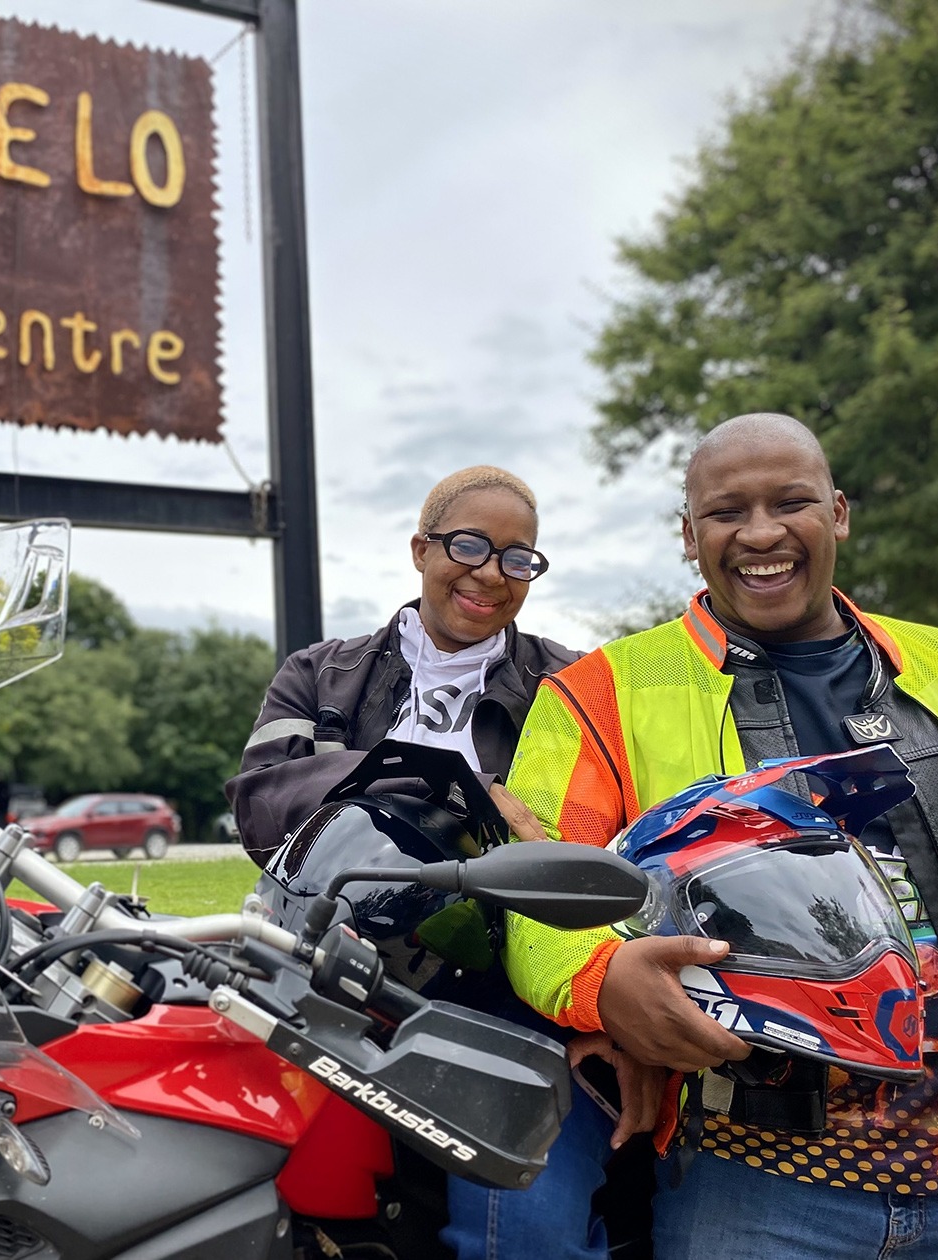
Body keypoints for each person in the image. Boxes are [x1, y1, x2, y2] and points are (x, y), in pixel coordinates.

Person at [502, 412, 938, 1259]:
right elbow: (534, 893)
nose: (762, 533)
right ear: (689, 536)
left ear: (837, 514)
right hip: (754, 1192)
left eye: (791, 502)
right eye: (728, 512)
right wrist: (604, 981)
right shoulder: (601, 694)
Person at [227, 465, 660, 1260]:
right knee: (225, 1172)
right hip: (324, 971)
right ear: (422, 549)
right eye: (469, 546)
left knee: (522, 1238)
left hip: (514, 1001)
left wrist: (613, 1014)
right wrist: (453, 793)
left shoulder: (574, 684)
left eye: (518, 558)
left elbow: (626, 858)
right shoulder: (321, 674)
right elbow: (261, 801)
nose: (492, 574)